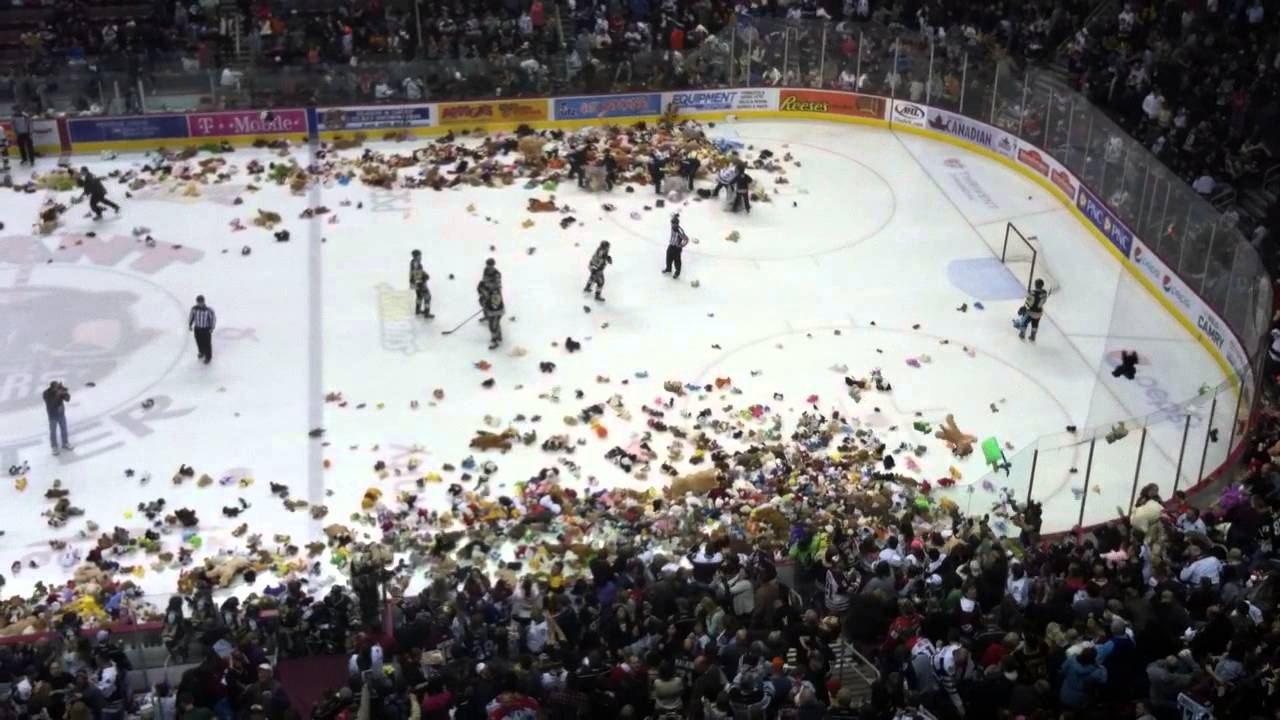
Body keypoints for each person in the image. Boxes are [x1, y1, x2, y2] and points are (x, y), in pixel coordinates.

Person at [478, 259, 505, 350]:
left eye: (491, 265)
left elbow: (496, 286)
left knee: (494, 321)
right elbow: (484, 282)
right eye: (488, 265)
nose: (489, 267)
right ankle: (487, 316)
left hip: (495, 299)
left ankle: (496, 338)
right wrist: (483, 289)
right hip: (488, 298)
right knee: (486, 309)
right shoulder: (485, 270)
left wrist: (487, 290)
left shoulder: (496, 274)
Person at [43, 380, 72, 456]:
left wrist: (65, 393)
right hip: (52, 416)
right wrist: (57, 395)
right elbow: (51, 404)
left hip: (61, 415)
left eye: (58, 387)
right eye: (56, 387)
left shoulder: (59, 391)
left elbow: (68, 399)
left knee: (64, 429)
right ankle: (54, 446)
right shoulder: (46, 394)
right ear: (52, 388)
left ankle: (65, 443)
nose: (57, 389)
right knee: (53, 431)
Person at [189, 295, 216, 364]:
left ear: (204, 302)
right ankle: (202, 352)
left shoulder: (209, 310)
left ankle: (208, 357)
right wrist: (190, 325)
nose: (200, 303)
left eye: (201, 302)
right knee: (199, 342)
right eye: (198, 302)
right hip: (197, 329)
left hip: (206, 329)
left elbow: (213, 319)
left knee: (207, 343)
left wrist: (212, 328)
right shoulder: (194, 309)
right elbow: (191, 317)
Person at [663, 214, 689, 279]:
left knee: (677, 260)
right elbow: (673, 218)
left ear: (677, 224)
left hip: (677, 248)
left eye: (673, 224)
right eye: (671, 223)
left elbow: (686, 239)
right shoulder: (672, 227)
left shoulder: (679, 231)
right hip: (671, 245)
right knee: (668, 258)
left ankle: (677, 272)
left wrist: (681, 245)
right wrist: (675, 215)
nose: (671, 225)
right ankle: (668, 268)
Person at [410, 250, 433, 319]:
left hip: (416, 284)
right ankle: (427, 313)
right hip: (420, 284)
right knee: (428, 297)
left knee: (419, 296)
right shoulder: (416, 263)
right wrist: (424, 277)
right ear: (416, 256)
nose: (421, 257)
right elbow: (416, 274)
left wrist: (424, 274)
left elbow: (417, 272)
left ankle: (418, 310)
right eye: (420, 255)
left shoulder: (413, 262)